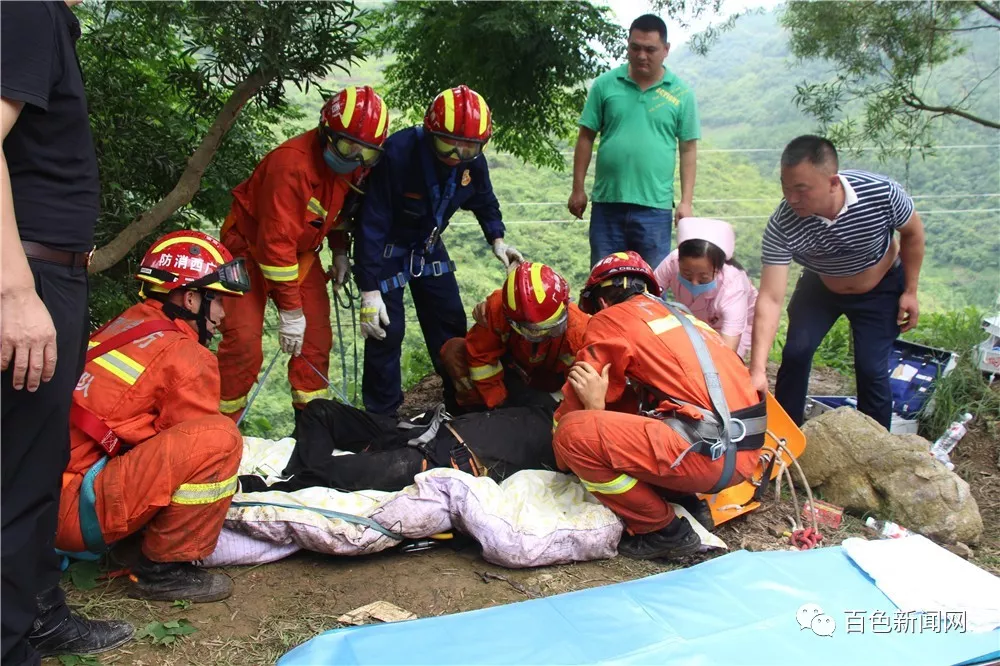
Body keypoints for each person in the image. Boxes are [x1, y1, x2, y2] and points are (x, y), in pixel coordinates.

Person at [1, 2, 133, 662]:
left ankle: (35, 616)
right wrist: (17, 290)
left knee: (31, 462)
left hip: (41, 269)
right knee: (19, 477)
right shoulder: (25, 8)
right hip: (29, 274)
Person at [55, 231, 250, 604]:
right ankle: (163, 571)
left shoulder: (127, 323)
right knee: (220, 441)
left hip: (35, 494)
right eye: (220, 301)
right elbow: (192, 455)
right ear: (192, 299)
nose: (224, 315)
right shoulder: (187, 357)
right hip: (71, 513)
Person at [552, 252, 766, 560]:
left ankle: (661, 530)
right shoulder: (683, 318)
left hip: (703, 453)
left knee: (572, 434)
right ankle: (688, 501)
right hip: (743, 453)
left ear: (600, 303)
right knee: (635, 415)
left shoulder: (610, 319)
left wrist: (584, 419)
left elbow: (570, 435)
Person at [217, 86, 389, 424]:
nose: (355, 158)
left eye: (365, 153)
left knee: (315, 342)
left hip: (300, 253)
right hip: (248, 249)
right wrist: (291, 312)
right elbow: (274, 245)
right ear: (326, 132)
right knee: (244, 345)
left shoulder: (353, 166)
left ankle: (311, 427)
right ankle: (218, 428)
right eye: (347, 146)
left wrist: (339, 251)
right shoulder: (291, 165)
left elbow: (336, 211)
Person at [354, 85, 523, 416]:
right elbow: (372, 221)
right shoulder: (400, 153)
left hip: (428, 245)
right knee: (385, 331)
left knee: (448, 323)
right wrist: (369, 288)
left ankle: (463, 407)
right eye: (449, 144)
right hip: (387, 247)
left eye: (469, 147)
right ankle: (381, 417)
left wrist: (497, 238)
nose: (457, 155)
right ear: (431, 133)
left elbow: (485, 199)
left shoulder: (472, 163)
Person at [749, 136, 925, 430]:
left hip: (881, 288)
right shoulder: (783, 223)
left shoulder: (881, 193)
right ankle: (787, 436)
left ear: (832, 182)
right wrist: (756, 369)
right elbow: (770, 297)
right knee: (796, 352)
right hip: (821, 288)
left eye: (802, 190)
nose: (792, 198)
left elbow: (913, 234)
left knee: (871, 368)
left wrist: (910, 290)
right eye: (786, 187)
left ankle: (876, 443)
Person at [567, 14, 700, 269]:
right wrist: (578, 188)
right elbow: (585, 137)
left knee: (652, 286)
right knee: (604, 282)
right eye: (635, 47)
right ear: (628, 45)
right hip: (608, 204)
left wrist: (686, 201)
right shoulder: (605, 85)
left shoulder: (681, 93)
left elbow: (688, 149)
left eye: (650, 49)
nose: (641, 55)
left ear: (665, 50)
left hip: (655, 209)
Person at [238, 398, 558, 494]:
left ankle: (273, 488)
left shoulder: (564, 447)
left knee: (337, 472)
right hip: (422, 430)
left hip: (434, 459)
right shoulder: (546, 407)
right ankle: (306, 472)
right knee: (320, 411)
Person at [440, 262, 589, 410]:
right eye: (532, 330)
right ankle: (472, 411)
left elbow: (584, 383)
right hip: (510, 374)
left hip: (548, 385)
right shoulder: (496, 309)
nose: (540, 334)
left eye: (551, 327)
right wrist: (499, 404)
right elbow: (481, 356)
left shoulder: (580, 329)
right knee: (453, 350)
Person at [653, 218, 757, 358]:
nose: (694, 283)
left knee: (718, 364)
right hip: (693, 321)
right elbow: (648, 295)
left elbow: (728, 351)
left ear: (718, 269)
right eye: (687, 274)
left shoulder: (733, 286)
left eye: (703, 277)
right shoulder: (672, 262)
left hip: (730, 330)